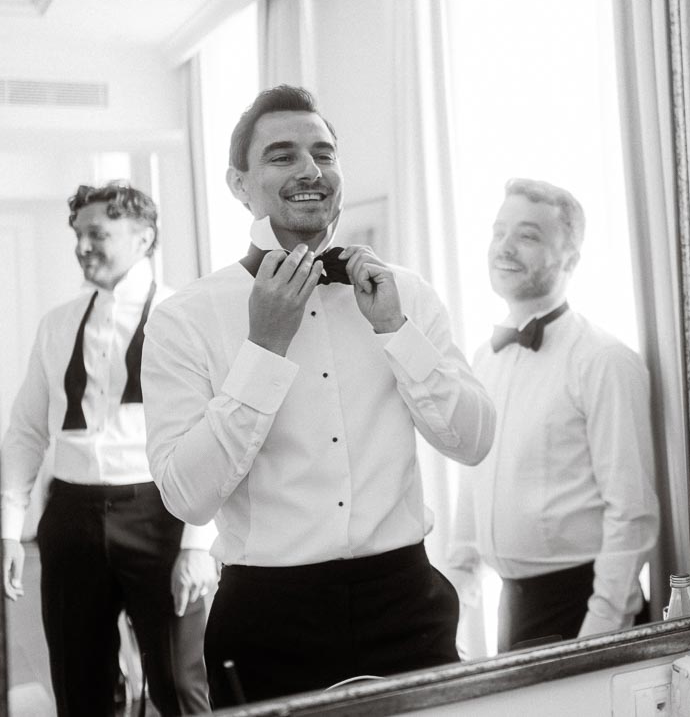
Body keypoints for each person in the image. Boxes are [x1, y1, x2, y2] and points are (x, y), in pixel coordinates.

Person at [141, 85, 495, 704]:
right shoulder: (184, 319)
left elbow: (472, 441)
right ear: (238, 182)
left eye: (323, 153)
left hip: (406, 602)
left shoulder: (404, 295)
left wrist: (395, 331)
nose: (310, 170)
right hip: (268, 617)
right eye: (281, 155)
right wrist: (263, 349)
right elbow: (186, 498)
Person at [1, 181, 214, 716]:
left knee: (180, 687)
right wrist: (8, 527)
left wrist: (197, 544)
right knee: (78, 689)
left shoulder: (186, 317)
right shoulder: (57, 324)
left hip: (159, 515)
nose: (82, 246)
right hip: (71, 517)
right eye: (78, 234)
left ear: (143, 238)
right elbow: (26, 429)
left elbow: (213, 433)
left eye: (98, 233)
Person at [448, 178, 658, 652]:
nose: (504, 246)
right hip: (515, 610)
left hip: (583, 608)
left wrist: (598, 633)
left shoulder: (604, 360)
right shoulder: (483, 357)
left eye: (527, 235)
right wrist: (454, 591)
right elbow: (473, 481)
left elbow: (632, 512)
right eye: (498, 230)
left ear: (571, 258)